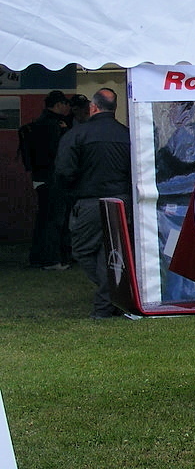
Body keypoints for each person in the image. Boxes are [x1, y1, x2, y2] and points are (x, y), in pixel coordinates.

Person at [54, 88, 133, 320]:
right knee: (111, 253)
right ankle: (111, 300)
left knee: (83, 250)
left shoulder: (77, 135)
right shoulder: (128, 135)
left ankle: (106, 302)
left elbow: (63, 172)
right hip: (122, 201)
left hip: (89, 203)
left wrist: (72, 194)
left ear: (93, 107)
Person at [27, 90, 71, 269]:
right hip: (53, 177)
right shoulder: (55, 124)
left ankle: (37, 258)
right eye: (65, 104)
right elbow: (57, 153)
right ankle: (51, 259)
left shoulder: (38, 122)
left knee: (43, 219)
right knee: (54, 220)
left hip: (39, 177)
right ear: (59, 104)